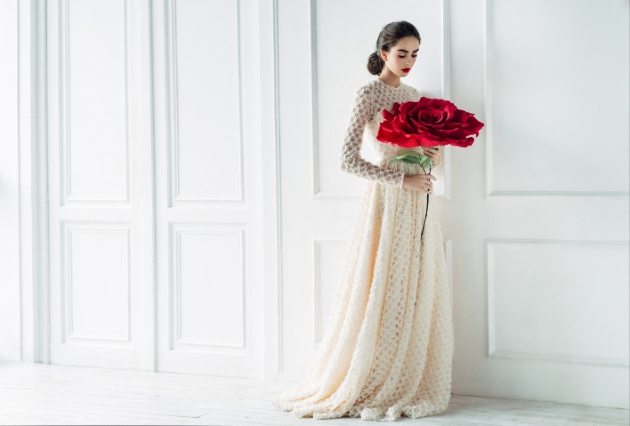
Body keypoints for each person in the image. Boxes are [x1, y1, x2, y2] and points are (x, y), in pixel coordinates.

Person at [271, 20, 454, 422]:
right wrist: (401, 178)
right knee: (382, 282)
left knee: (412, 284)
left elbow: (418, 148)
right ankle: (368, 374)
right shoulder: (368, 94)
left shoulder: (413, 95)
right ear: (384, 52)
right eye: (402, 52)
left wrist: (430, 155)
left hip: (419, 201)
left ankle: (403, 370)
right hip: (388, 200)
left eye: (415, 54)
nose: (409, 61)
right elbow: (348, 160)